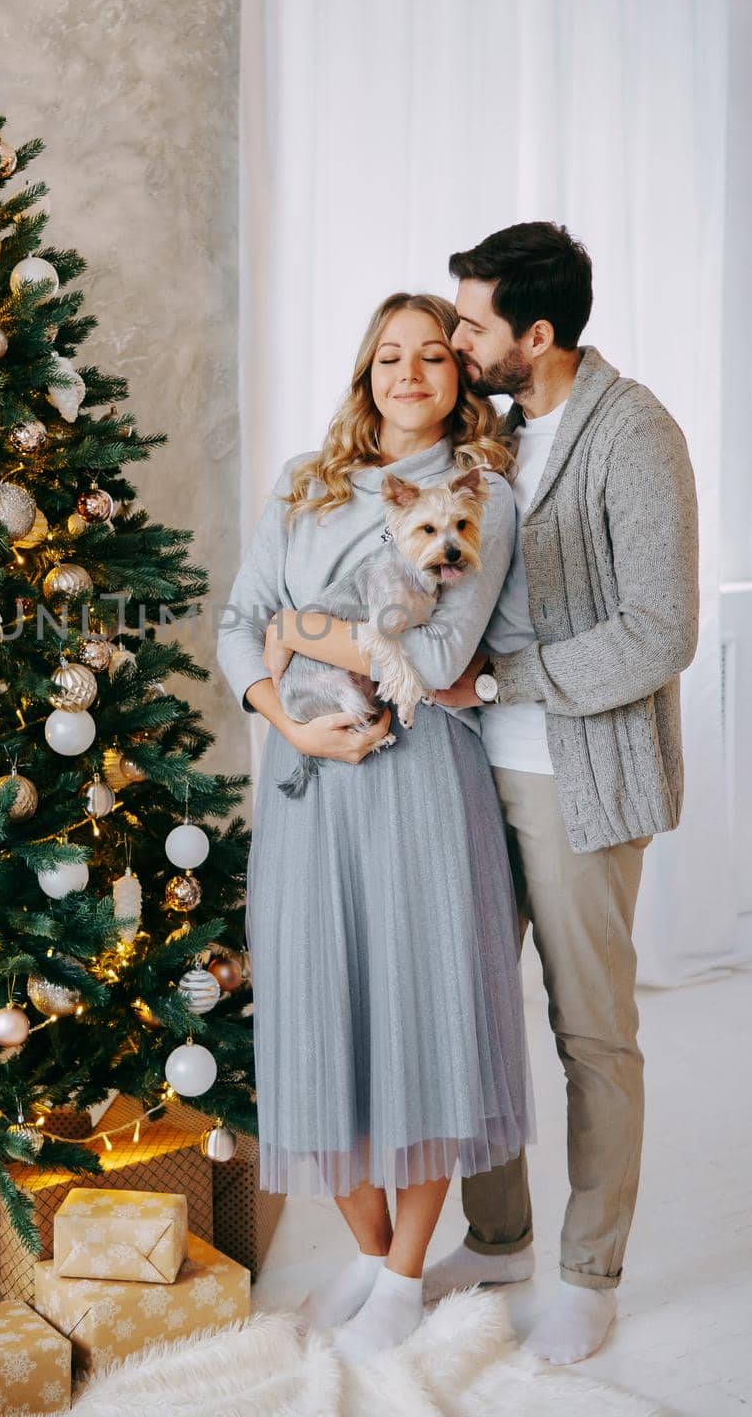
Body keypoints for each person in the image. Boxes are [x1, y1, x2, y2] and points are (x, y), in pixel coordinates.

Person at [215, 291, 534, 1365]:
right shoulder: (303, 486)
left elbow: (439, 658)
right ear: (365, 374)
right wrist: (280, 720)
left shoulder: (478, 491)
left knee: (421, 1006)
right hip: (306, 779)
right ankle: (366, 1249)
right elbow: (234, 622)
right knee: (314, 1009)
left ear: (458, 377)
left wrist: (302, 628)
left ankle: (405, 1272)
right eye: (388, 356)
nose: (408, 374)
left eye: (433, 356)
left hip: (417, 788)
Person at [422, 222, 699, 1365]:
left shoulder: (633, 435)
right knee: (472, 1016)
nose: (452, 339)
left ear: (535, 335)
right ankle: (496, 1238)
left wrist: (499, 678)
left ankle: (589, 1273)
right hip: (466, 771)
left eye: (473, 323)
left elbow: (659, 630)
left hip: (577, 778)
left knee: (590, 1031)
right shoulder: (486, 430)